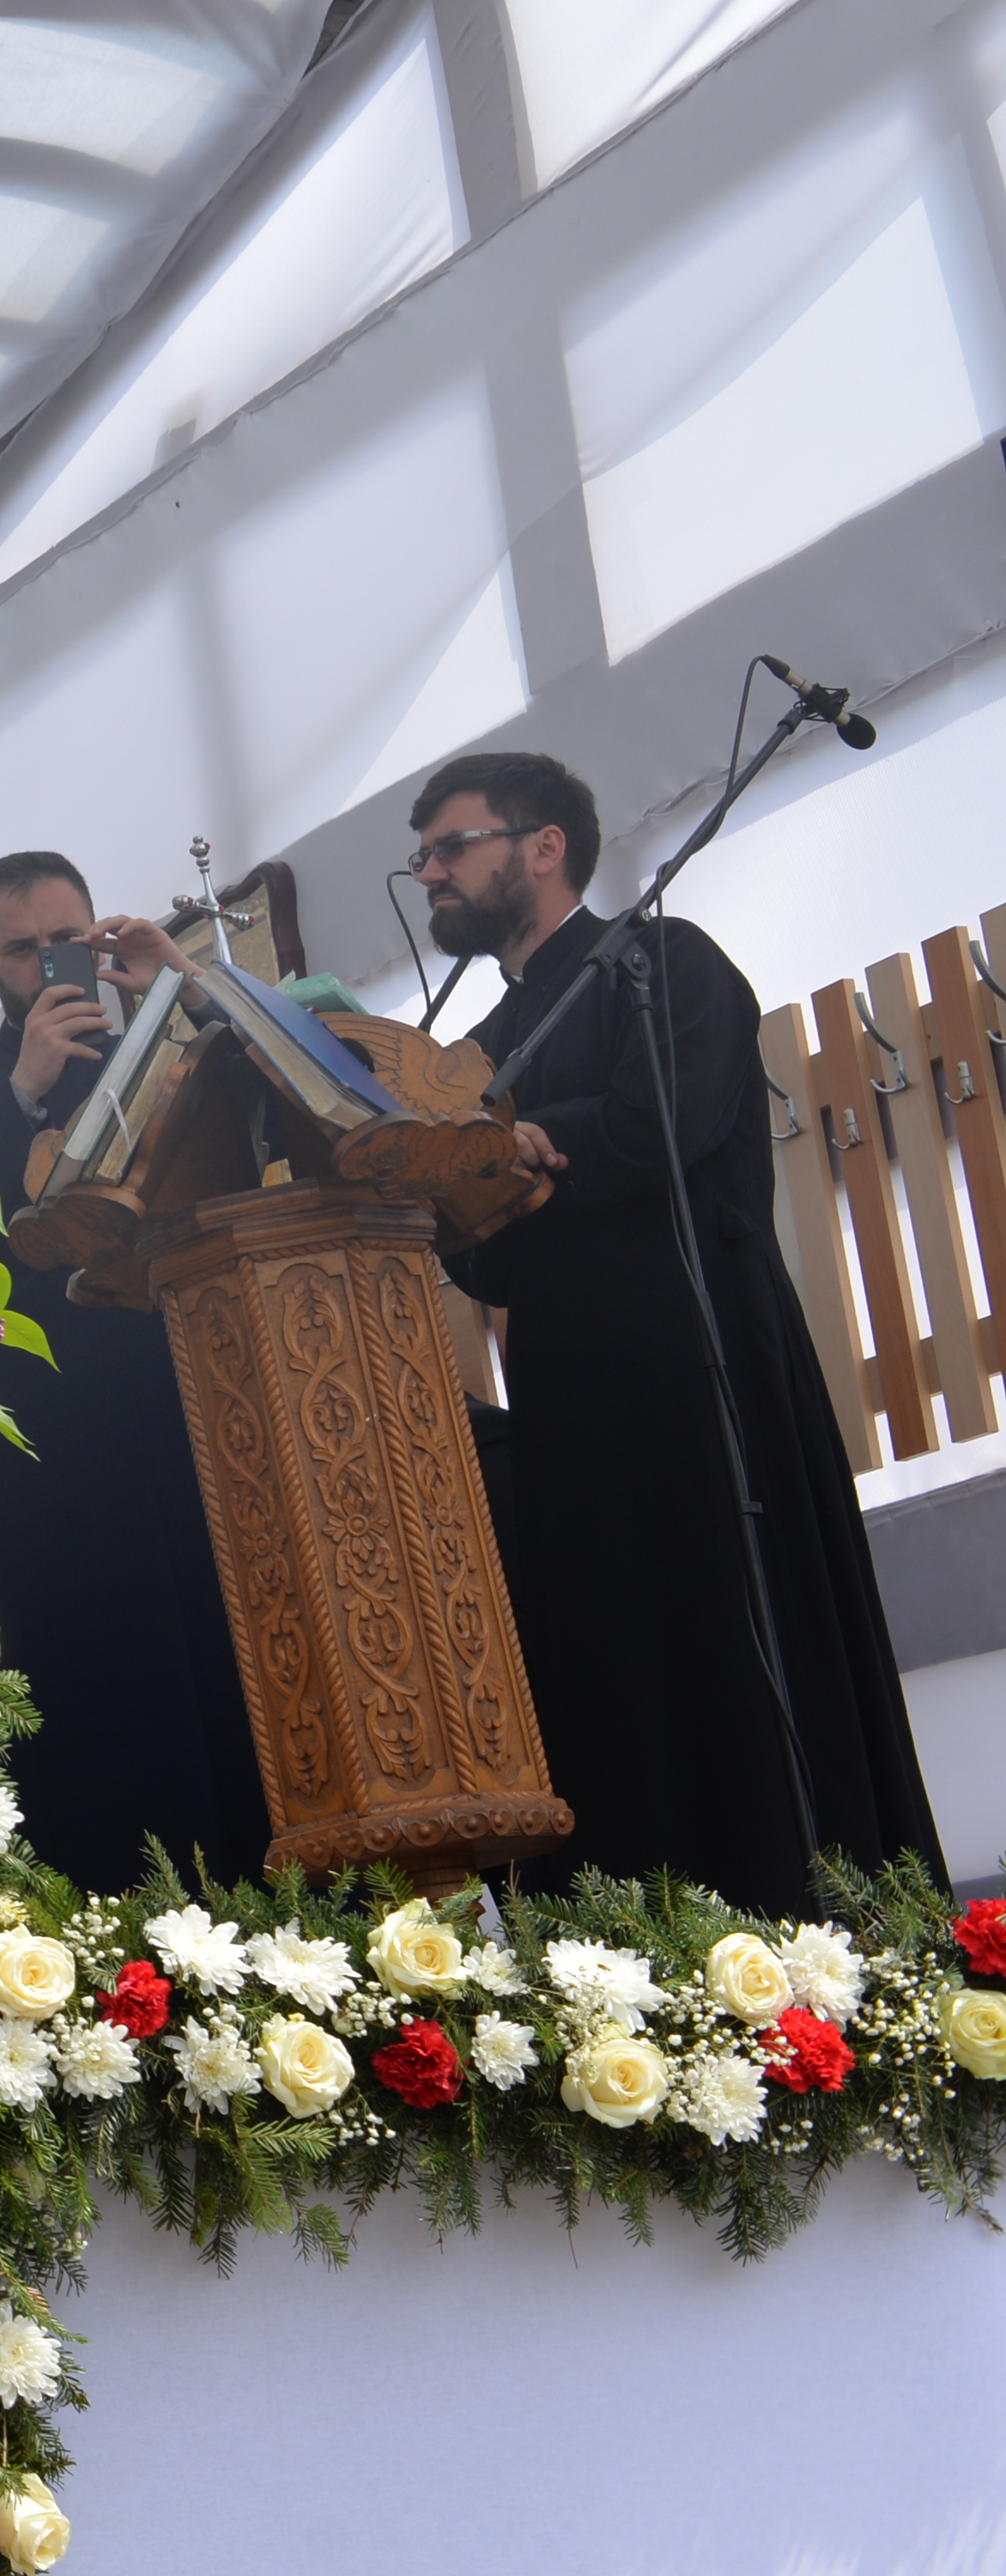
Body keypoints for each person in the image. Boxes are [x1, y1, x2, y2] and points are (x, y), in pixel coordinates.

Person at [418, 750, 936, 1913]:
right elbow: (488, 1255)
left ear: (543, 846)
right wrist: (464, 1179)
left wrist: (535, 1141)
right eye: (425, 858)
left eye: (452, 846)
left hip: (703, 1371)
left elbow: (669, 1122)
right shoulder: (484, 1049)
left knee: (749, 1656)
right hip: (571, 1397)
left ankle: (812, 1928)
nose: (432, 874)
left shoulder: (663, 962)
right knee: (617, 1677)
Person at [0, 851, 273, 1897]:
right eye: (24, 950)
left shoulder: (176, 1060)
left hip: (193, 1415)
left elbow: (279, 1113)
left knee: (229, 1678)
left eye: (67, 939)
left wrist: (185, 981)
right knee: (90, 1688)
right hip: (49, 1448)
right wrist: (26, 1086)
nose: (49, 965)